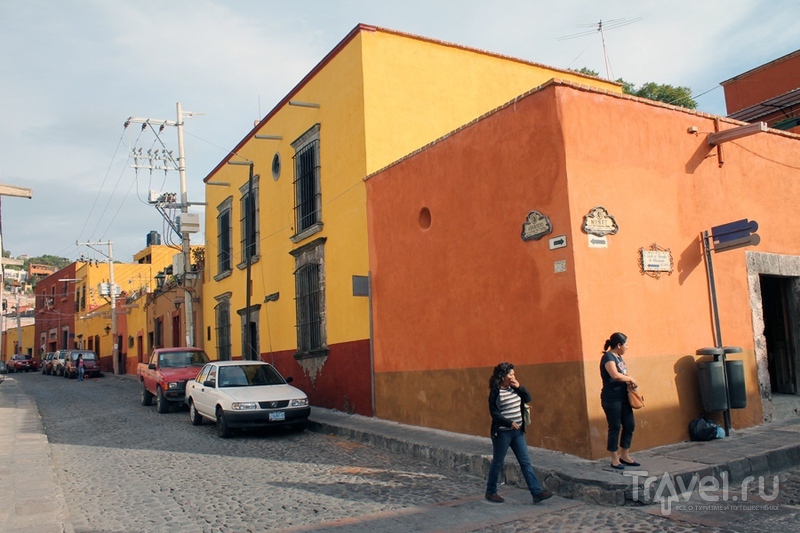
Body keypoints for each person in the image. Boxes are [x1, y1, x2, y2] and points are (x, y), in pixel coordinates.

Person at [485, 362, 553, 504]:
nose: (513, 377)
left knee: (525, 462)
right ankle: (490, 492)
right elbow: (495, 413)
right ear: (503, 376)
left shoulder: (515, 389)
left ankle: (536, 492)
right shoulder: (496, 392)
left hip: (518, 433)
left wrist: (519, 386)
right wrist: (508, 422)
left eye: (514, 374)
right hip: (503, 433)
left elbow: (528, 398)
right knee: (498, 462)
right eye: (510, 374)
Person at [600, 332, 639, 469]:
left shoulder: (619, 357)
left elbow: (623, 374)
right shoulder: (608, 357)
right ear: (619, 345)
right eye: (626, 344)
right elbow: (615, 375)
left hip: (623, 397)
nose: (627, 347)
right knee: (615, 426)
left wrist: (630, 381)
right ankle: (614, 458)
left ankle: (625, 455)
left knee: (630, 424)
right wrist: (631, 379)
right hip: (612, 398)